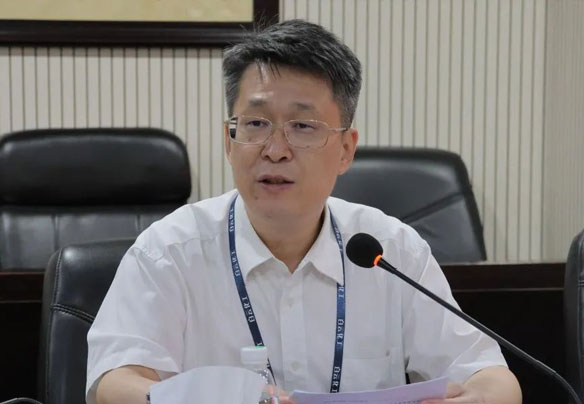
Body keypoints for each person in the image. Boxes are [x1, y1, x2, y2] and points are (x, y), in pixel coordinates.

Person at [86, 19, 522, 404]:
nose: (275, 150)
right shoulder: (170, 251)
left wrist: (479, 398)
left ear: (346, 149)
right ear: (229, 141)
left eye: (303, 126)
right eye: (256, 124)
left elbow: (491, 377)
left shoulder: (390, 251)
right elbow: (114, 382)